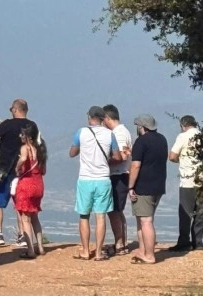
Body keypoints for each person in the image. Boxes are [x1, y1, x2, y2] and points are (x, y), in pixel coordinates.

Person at [69, 106, 121, 261]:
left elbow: (72, 153)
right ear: (103, 118)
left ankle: (85, 251)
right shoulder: (110, 134)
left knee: (84, 215)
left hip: (85, 178)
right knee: (101, 216)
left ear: (89, 117)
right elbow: (117, 156)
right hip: (103, 178)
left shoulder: (81, 132)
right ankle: (98, 252)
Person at [0, 99, 36, 248]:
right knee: (20, 204)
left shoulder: (7, 125)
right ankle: (22, 236)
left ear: (15, 109)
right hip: (24, 172)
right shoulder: (32, 126)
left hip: (3, 169)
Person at [129, 114, 168, 264]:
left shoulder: (141, 141)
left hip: (144, 186)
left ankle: (149, 255)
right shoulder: (162, 139)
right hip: (158, 185)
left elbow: (135, 165)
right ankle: (142, 251)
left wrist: (130, 186)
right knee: (142, 219)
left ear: (142, 127)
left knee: (146, 221)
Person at [102, 104, 133, 256]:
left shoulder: (118, 133)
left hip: (118, 175)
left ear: (107, 118)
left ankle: (120, 243)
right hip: (121, 174)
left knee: (114, 211)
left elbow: (122, 156)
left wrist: (103, 162)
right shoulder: (123, 131)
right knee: (117, 211)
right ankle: (122, 242)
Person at [169, 115, 203, 252]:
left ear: (183, 125)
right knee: (200, 214)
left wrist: (180, 160)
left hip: (188, 181)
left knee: (185, 213)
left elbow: (172, 156)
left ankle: (184, 242)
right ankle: (198, 242)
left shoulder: (183, 137)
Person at [14, 123, 47, 259]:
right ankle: (40, 247)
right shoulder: (40, 150)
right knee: (34, 217)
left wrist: (17, 168)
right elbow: (43, 170)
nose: (20, 136)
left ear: (28, 136)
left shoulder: (25, 148)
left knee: (25, 219)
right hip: (38, 184)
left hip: (26, 185)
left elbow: (23, 159)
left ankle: (30, 250)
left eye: (22, 134)